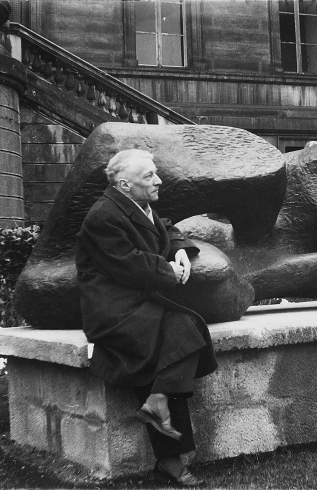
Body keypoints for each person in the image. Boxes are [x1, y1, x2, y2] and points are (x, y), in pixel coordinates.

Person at [75, 149, 217, 487]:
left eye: (155, 173)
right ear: (125, 184)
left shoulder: (137, 205)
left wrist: (179, 248)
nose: (158, 180)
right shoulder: (103, 216)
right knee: (183, 332)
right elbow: (128, 263)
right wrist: (168, 270)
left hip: (136, 301)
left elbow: (164, 227)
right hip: (113, 310)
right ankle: (169, 453)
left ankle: (159, 407)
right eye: (149, 176)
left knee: (181, 335)